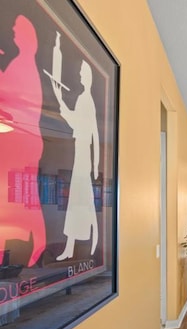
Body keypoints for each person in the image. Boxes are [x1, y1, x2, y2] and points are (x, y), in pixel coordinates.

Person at [0, 15, 47, 267]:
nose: (14, 32)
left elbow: (9, 98)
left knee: (23, 198)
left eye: (17, 29)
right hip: (27, 142)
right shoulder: (23, 64)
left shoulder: (23, 65)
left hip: (23, 141)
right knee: (26, 198)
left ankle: (34, 244)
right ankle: (32, 244)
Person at [50, 60, 100, 261]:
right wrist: (61, 103)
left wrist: (96, 164)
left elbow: (92, 130)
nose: (80, 76)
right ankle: (79, 243)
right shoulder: (84, 98)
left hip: (82, 152)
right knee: (81, 200)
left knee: (81, 199)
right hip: (82, 151)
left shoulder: (85, 99)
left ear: (87, 77)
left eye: (81, 73)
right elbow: (87, 128)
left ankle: (84, 241)